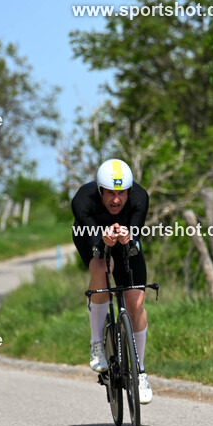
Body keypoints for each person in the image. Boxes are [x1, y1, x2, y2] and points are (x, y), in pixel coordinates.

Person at [71, 158, 153, 404]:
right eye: (110, 193)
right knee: (103, 267)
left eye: (121, 193)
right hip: (90, 235)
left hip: (124, 239)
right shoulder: (83, 200)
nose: (116, 200)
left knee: (135, 301)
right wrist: (101, 240)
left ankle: (140, 372)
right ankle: (97, 343)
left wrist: (130, 238)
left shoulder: (140, 198)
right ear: (100, 191)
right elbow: (94, 241)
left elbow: (136, 237)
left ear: (129, 191)